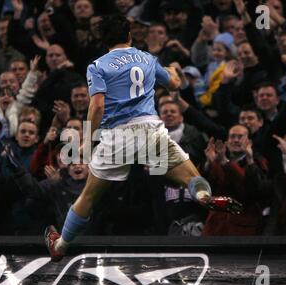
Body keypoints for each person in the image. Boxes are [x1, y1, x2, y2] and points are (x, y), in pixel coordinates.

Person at [45, 15, 242, 262]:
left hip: (117, 136)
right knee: (193, 177)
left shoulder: (97, 65)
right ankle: (204, 197)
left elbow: (97, 106)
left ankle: (61, 245)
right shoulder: (147, 58)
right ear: (128, 36)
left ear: (103, 40)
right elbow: (174, 84)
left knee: (88, 196)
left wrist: (88, 139)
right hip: (150, 129)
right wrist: (172, 72)